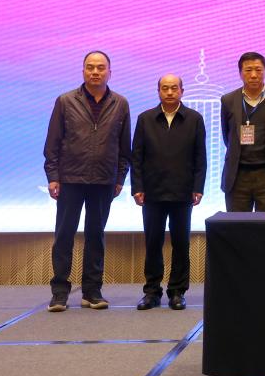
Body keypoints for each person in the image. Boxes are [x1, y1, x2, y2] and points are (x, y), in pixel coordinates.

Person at [43, 51, 131, 312]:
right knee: (64, 235)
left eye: (101, 68)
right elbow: (52, 142)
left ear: (109, 72)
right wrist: (53, 176)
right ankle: (59, 292)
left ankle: (92, 292)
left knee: (96, 236)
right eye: (90, 67)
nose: (95, 72)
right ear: (83, 71)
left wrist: (119, 178)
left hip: (104, 180)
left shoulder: (120, 103)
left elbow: (124, 147)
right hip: (70, 178)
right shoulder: (66, 101)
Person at [131, 74, 205, 311]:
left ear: (182, 91)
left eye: (174, 88)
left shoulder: (194, 119)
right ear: (158, 91)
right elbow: (137, 157)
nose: (170, 92)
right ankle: (152, 291)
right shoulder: (145, 119)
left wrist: (198, 187)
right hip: (152, 192)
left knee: (181, 244)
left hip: (183, 192)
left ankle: (177, 291)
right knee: (153, 243)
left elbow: (200, 157)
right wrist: (137, 187)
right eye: (165, 88)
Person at [220, 52, 265, 212]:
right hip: (237, 174)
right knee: (237, 223)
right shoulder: (228, 100)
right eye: (248, 70)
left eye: (258, 70)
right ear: (240, 73)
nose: (253, 75)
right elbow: (227, 136)